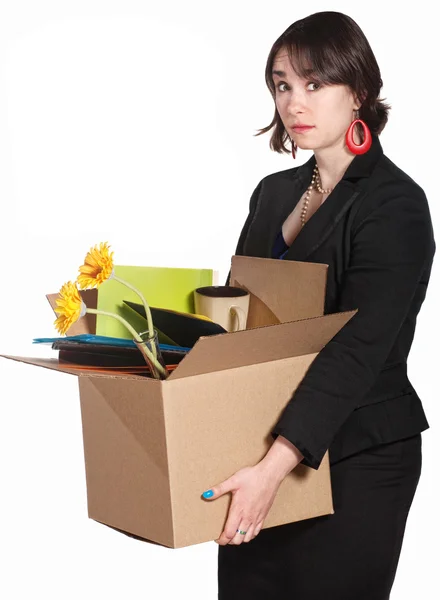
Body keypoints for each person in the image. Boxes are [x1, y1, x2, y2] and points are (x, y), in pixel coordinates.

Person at [200, 11, 436, 600]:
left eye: (314, 83)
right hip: (261, 448)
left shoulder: (394, 205)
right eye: (282, 84)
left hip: (356, 456)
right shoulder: (273, 193)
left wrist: (273, 470)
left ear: (357, 90)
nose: (293, 102)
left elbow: (356, 351)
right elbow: (242, 316)